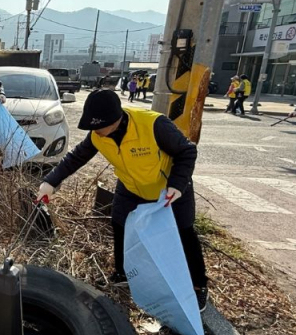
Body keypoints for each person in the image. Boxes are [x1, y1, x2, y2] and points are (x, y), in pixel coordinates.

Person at [35, 90, 209, 311]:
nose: (96, 133)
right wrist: (50, 182)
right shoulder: (98, 135)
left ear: (116, 120)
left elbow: (187, 152)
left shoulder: (154, 125)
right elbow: (75, 158)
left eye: (99, 127)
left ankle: (198, 285)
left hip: (170, 188)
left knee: (185, 233)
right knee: (119, 224)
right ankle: (123, 272)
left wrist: (177, 184)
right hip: (130, 187)